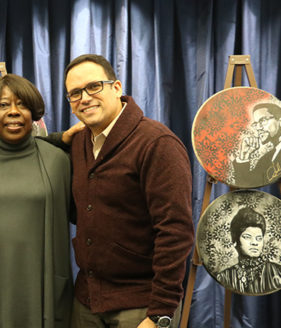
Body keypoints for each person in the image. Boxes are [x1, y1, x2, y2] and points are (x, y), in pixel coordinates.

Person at [63, 54, 194, 328]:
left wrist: (160, 314)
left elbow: (175, 232)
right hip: (86, 301)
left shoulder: (157, 144)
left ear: (117, 87)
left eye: (93, 86)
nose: (84, 98)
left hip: (142, 305)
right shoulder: (78, 144)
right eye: (75, 93)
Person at [0, 74, 73, 327]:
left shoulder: (58, 161)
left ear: (34, 113)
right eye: (3, 105)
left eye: (22, 104)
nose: (13, 112)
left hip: (41, 287)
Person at [216, 207, 281, 295]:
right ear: (235, 241)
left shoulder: (277, 271)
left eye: (259, 238)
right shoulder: (225, 276)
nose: (254, 243)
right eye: (247, 237)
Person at [230, 102, 281, 187]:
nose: (258, 128)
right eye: (256, 124)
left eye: (263, 121)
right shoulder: (268, 157)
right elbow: (246, 184)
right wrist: (244, 155)